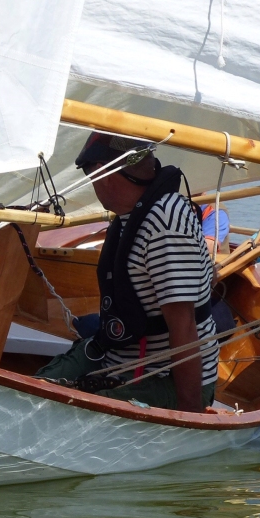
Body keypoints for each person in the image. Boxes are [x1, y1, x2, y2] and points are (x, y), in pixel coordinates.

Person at [36, 133, 218, 413]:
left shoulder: (164, 222)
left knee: (55, 409)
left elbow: (184, 325)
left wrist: (189, 416)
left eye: (89, 175)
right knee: (39, 388)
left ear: (102, 174)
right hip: (118, 358)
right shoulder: (132, 214)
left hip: (165, 377)